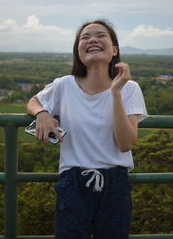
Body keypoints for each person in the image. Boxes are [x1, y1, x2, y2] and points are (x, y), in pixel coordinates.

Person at [27, 19, 148, 239]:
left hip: (115, 182)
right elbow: (34, 101)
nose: (92, 39)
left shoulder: (129, 88)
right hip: (73, 180)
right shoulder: (64, 85)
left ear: (114, 50)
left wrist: (116, 92)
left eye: (100, 35)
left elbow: (125, 143)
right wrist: (42, 113)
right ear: (78, 52)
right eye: (85, 37)